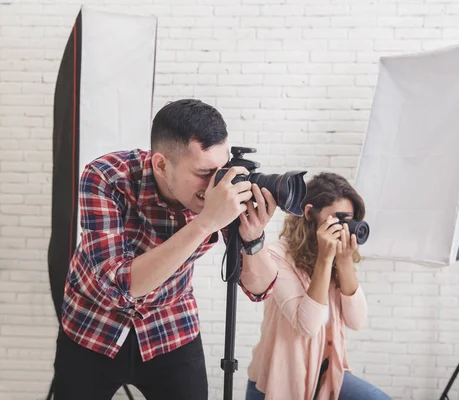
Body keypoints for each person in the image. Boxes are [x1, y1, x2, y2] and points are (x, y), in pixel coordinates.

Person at [52, 99, 279, 400]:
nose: (214, 183)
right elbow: (121, 287)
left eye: (220, 169)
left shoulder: (215, 189)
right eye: (202, 172)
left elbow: (260, 289)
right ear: (161, 163)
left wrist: (253, 238)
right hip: (93, 324)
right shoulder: (105, 177)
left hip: (170, 324)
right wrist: (206, 222)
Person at [245, 172, 391, 400]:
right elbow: (309, 326)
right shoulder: (276, 256)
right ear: (309, 213)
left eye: (349, 219)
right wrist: (324, 259)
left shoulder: (338, 258)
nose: (345, 227)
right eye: (338, 218)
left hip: (327, 377)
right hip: (279, 382)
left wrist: (343, 262)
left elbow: (357, 321)